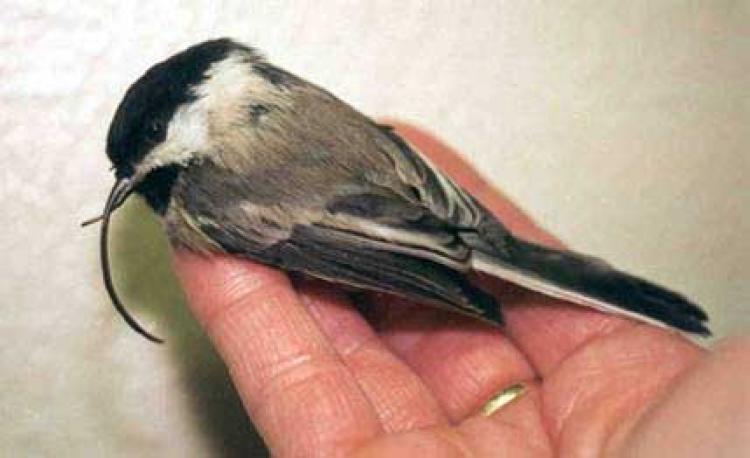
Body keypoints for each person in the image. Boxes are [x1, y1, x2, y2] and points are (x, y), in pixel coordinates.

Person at [173, 123, 749, 456]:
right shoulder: (272, 112)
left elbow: (344, 243)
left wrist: (437, 267)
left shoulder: (217, 182)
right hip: (437, 210)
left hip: (417, 234)